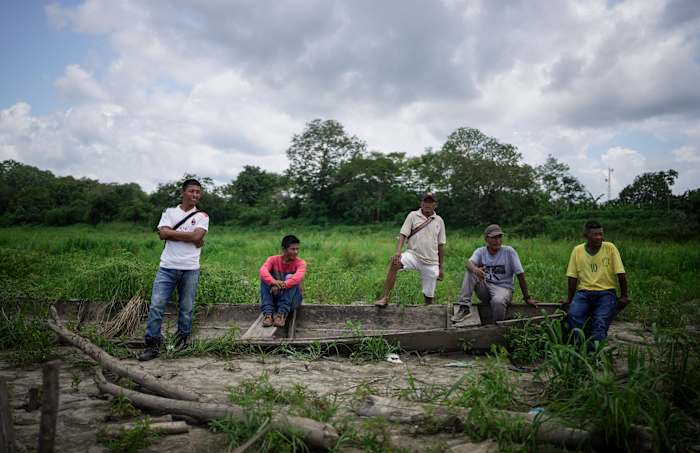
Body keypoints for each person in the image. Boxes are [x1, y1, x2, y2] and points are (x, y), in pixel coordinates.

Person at [138, 179, 209, 361]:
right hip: (167, 267)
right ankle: (152, 344)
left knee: (186, 308)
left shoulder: (202, 216)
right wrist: (191, 237)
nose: (195, 195)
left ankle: (182, 341)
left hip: (190, 268)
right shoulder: (169, 212)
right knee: (156, 305)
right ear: (183, 192)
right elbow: (164, 233)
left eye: (198, 192)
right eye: (192, 191)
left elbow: (196, 235)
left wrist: (172, 234)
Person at [452, 224, 536, 324]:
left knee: (498, 301)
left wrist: (527, 297)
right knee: (471, 271)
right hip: (485, 288)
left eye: (499, 237)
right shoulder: (481, 251)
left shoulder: (509, 252)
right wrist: (476, 270)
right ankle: (464, 307)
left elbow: (520, 274)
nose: (497, 241)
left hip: (503, 288)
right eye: (494, 238)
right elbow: (469, 263)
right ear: (486, 239)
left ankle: (496, 326)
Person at [375, 193, 446, 307]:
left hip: (431, 261)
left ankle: (429, 311)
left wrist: (441, 267)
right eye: (425, 201)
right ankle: (385, 298)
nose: (427, 204)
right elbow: (403, 234)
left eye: (430, 202)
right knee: (395, 263)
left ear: (435, 205)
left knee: (429, 297)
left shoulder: (439, 221)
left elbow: (441, 245)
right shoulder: (413, 215)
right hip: (413, 255)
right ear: (421, 203)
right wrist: (398, 252)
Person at [564, 220, 629, 342]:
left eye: (601, 234)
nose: (599, 237)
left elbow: (620, 273)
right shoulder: (577, 250)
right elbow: (572, 277)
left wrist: (624, 295)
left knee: (600, 322)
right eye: (595, 234)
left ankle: (594, 354)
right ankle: (582, 347)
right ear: (586, 236)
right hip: (584, 292)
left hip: (606, 293)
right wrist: (570, 299)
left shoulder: (610, 248)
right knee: (573, 315)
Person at [259, 235, 306, 327]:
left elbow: (297, 278)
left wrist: (281, 285)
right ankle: (268, 315)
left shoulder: (301, 263)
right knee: (265, 277)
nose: (296, 252)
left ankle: (281, 315)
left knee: (291, 277)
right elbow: (262, 270)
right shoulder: (273, 260)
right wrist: (273, 282)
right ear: (284, 250)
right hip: (276, 300)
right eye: (293, 249)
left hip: (293, 301)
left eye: (297, 249)